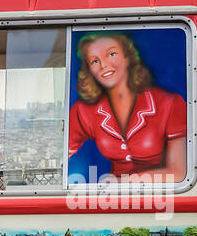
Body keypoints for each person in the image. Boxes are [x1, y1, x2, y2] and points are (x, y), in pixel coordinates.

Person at [67, 32, 187, 181]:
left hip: (164, 198)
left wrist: (125, 182)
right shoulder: (84, 110)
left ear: (128, 56)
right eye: (94, 61)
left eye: (111, 54)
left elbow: (179, 173)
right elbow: (61, 154)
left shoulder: (169, 103)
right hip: (113, 200)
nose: (104, 65)